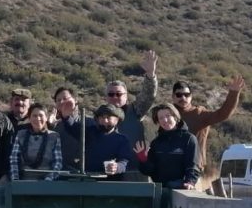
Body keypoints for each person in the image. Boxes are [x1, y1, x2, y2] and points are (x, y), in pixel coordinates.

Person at [172, 75, 246, 175]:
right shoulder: (167, 114)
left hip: (193, 168)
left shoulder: (199, 113)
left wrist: (233, 93)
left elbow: (222, 114)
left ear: (191, 96)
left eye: (187, 94)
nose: (183, 98)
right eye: (179, 95)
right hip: (170, 167)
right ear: (173, 96)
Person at [105, 50, 159, 180]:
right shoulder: (101, 116)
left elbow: (149, 95)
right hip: (107, 174)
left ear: (126, 95)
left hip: (135, 174)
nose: (115, 97)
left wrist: (150, 75)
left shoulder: (135, 110)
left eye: (119, 94)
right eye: (111, 94)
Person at [133, 103, 200, 189]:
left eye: (168, 116)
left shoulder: (188, 139)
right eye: (161, 118)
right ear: (158, 121)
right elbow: (150, 171)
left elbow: (193, 165)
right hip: (160, 191)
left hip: (181, 189)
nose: (165, 120)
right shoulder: (156, 143)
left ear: (175, 117)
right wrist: (143, 159)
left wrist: (190, 181)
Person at [9, 104, 63, 180]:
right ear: (29, 118)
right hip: (23, 181)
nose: (38, 118)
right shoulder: (21, 134)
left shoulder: (54, 136)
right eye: (34, 116)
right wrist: (15, 180)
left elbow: (58, 162)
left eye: (41, 115)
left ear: (46, 117)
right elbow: (14, 159)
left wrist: (48, 179)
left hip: (47, 182)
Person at [83, 104, 131, 180]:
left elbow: (124, 161)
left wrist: (116, 167)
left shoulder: (122, 139)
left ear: (117, 120)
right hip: (88, 181)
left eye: (108, 117)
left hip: (111, 185)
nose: (105, 121)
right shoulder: (88, 133)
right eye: (102, 117)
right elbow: (71, 126)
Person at [51, 86, 92, 172]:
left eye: (65, 98)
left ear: (75, 100)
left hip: (87, 174)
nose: (62, 102)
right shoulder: (55, 127)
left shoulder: (90, 123)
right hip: (62, 175)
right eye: (58, 100)